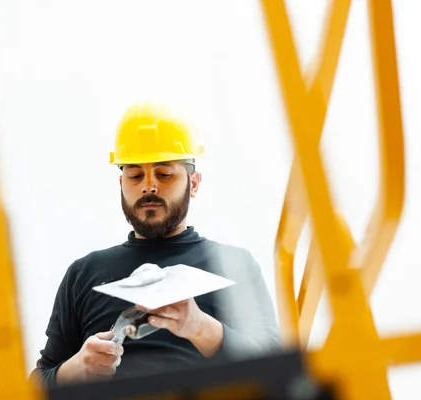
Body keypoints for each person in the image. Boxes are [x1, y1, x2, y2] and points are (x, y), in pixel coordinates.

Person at [30, 101, 281, 387]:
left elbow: (275, 367)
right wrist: (73, 370)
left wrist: (200, 328)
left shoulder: (232, 264)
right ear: (121, 183)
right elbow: (34, 384)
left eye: (164, 174)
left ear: (194, 183)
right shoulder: (84, 273)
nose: (149, 186)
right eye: (135, 175)